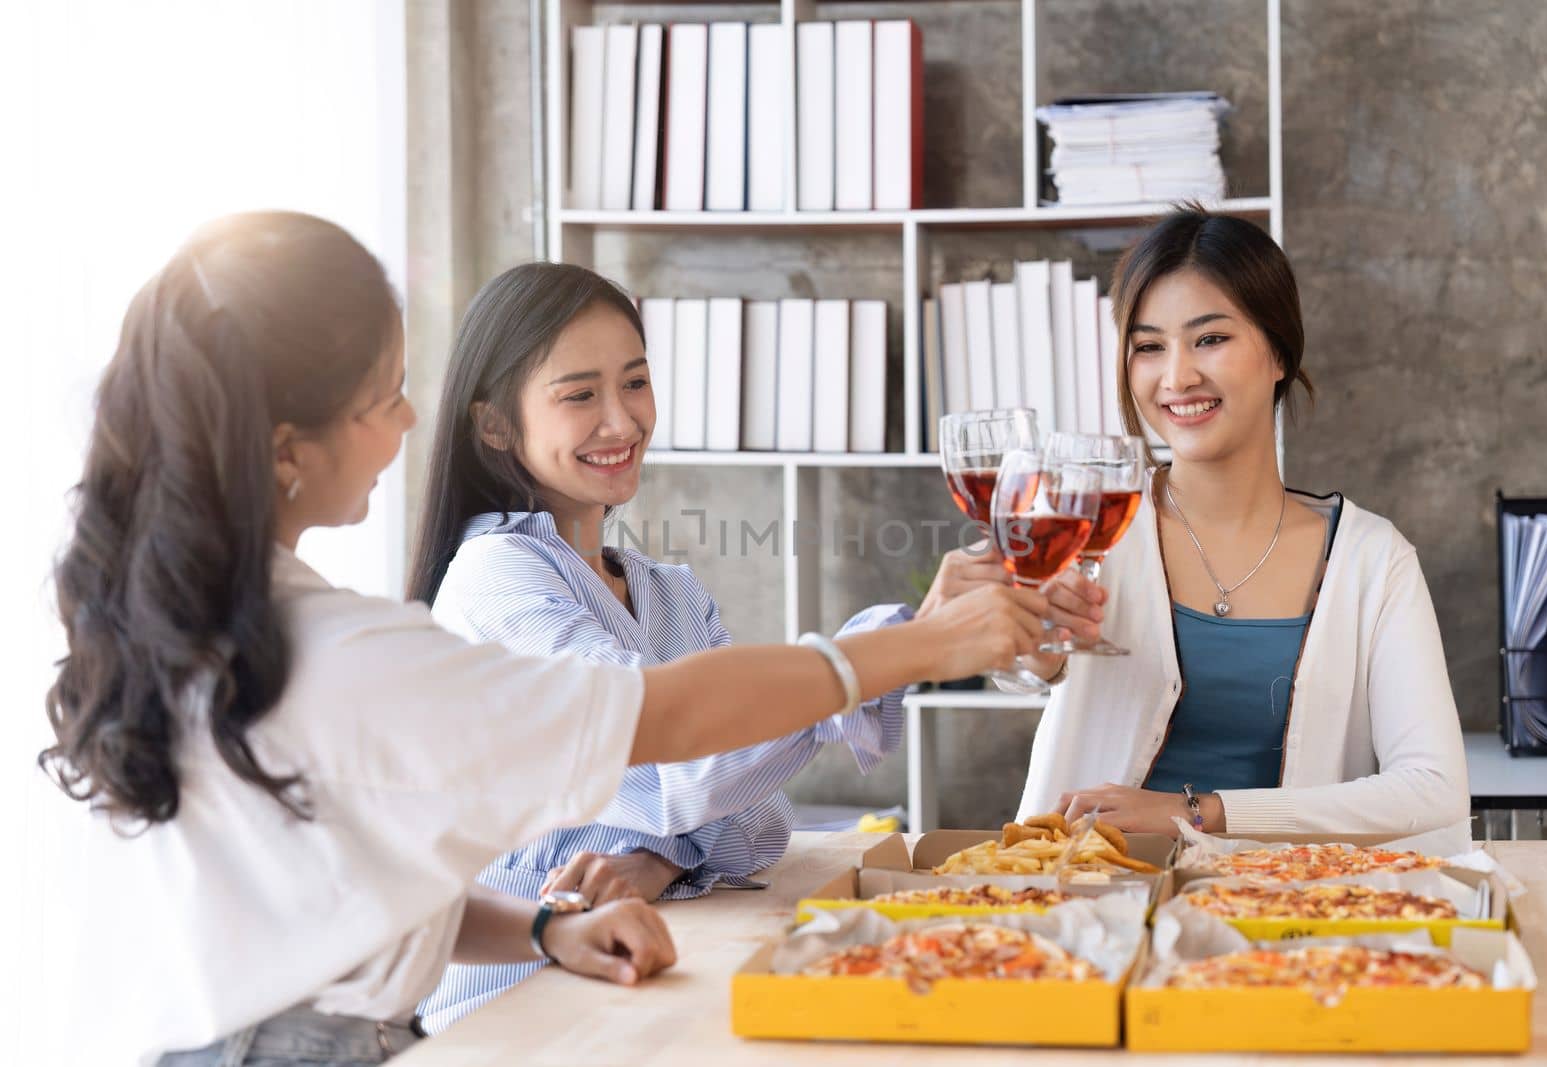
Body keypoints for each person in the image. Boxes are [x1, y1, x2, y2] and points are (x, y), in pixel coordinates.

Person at [40, 212, 1050, 1066]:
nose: (403, 423)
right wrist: (916, 643)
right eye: (381, 395)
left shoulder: (225, 620)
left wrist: (541, 922)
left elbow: (348, 893)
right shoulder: (343, 646)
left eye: (636, 380)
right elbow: (673, 724)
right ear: (285, 450)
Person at [405, 263, 1028, 1030]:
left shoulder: (668, 591)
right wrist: (904, 648)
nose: (623, 421)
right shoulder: (496, 576)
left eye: (635, 382)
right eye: (579, 395)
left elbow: (763, 815)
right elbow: (681, 772)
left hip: (633, 978)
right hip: (511, 1008)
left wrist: (663, 858)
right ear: (495, 426)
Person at [1015, 205, 1471, 855]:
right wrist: (1031, 644)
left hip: (1286, 917)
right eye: (1148, 346)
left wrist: (1199, 812)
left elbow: (1433, 787)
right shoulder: (1092, 526)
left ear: (1279, 351)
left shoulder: (1373, 561)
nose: (1176, 377)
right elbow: (1020, 656)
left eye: (1209, 339)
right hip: (1082, 895)